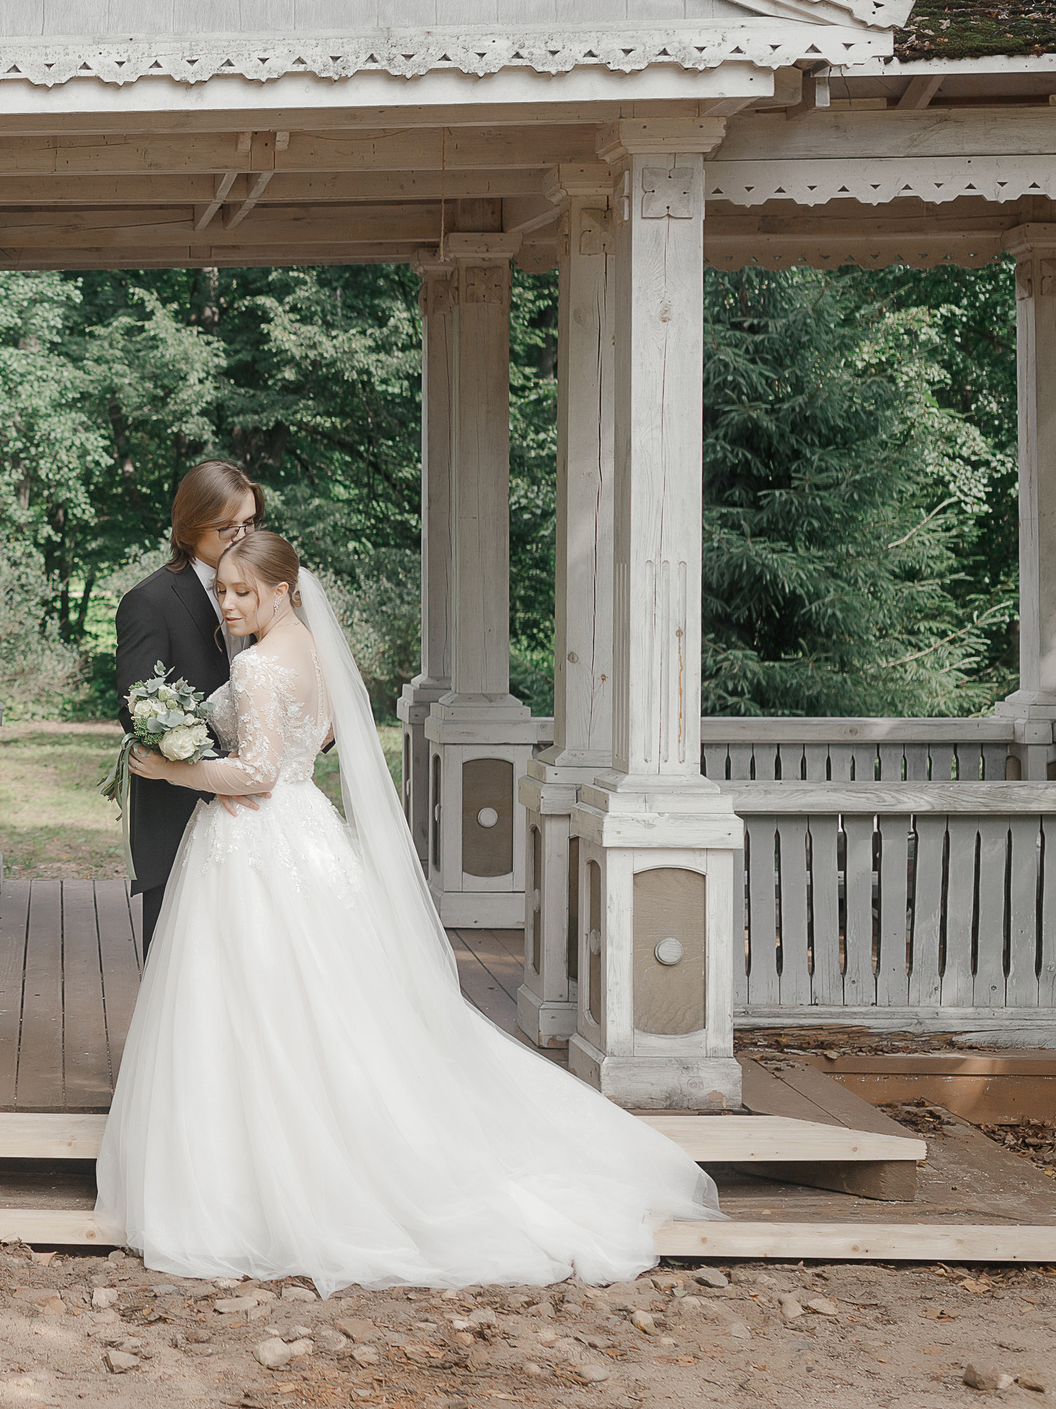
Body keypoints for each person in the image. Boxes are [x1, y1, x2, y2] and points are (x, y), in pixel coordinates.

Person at [95, 530, 721, 1289]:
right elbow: (319, 736)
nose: (228, 604)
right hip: (309, 833)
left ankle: (255, 1185)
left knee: (255, 1003)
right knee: (321, 1007)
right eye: (223, 591)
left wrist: (168, 762)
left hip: (257, 842)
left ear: (284, 590)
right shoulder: (310, 650)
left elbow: (258, 773)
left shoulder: (258, 665)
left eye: (242, 592)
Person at [115, 460, 261, 957]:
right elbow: (136, 709)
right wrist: (206, 767)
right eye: (227, 528)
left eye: (250, 523)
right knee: (180, 969)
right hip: (182, 813)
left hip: (261, 808)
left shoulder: (268, 590)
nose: (241, 536)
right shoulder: (150, 602)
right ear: (190, 525)